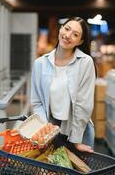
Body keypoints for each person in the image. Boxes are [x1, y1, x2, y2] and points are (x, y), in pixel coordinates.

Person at [30, 17, 96, 153]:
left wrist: (76, 141)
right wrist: (45, 129)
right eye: (67, 29)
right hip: (49, 131)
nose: (68, 35)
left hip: (77, 131)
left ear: (80, 41)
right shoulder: (40, 63)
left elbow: (84, 104)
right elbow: (37, 102)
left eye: (75, 34)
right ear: (61, 29)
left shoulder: (85, 62)